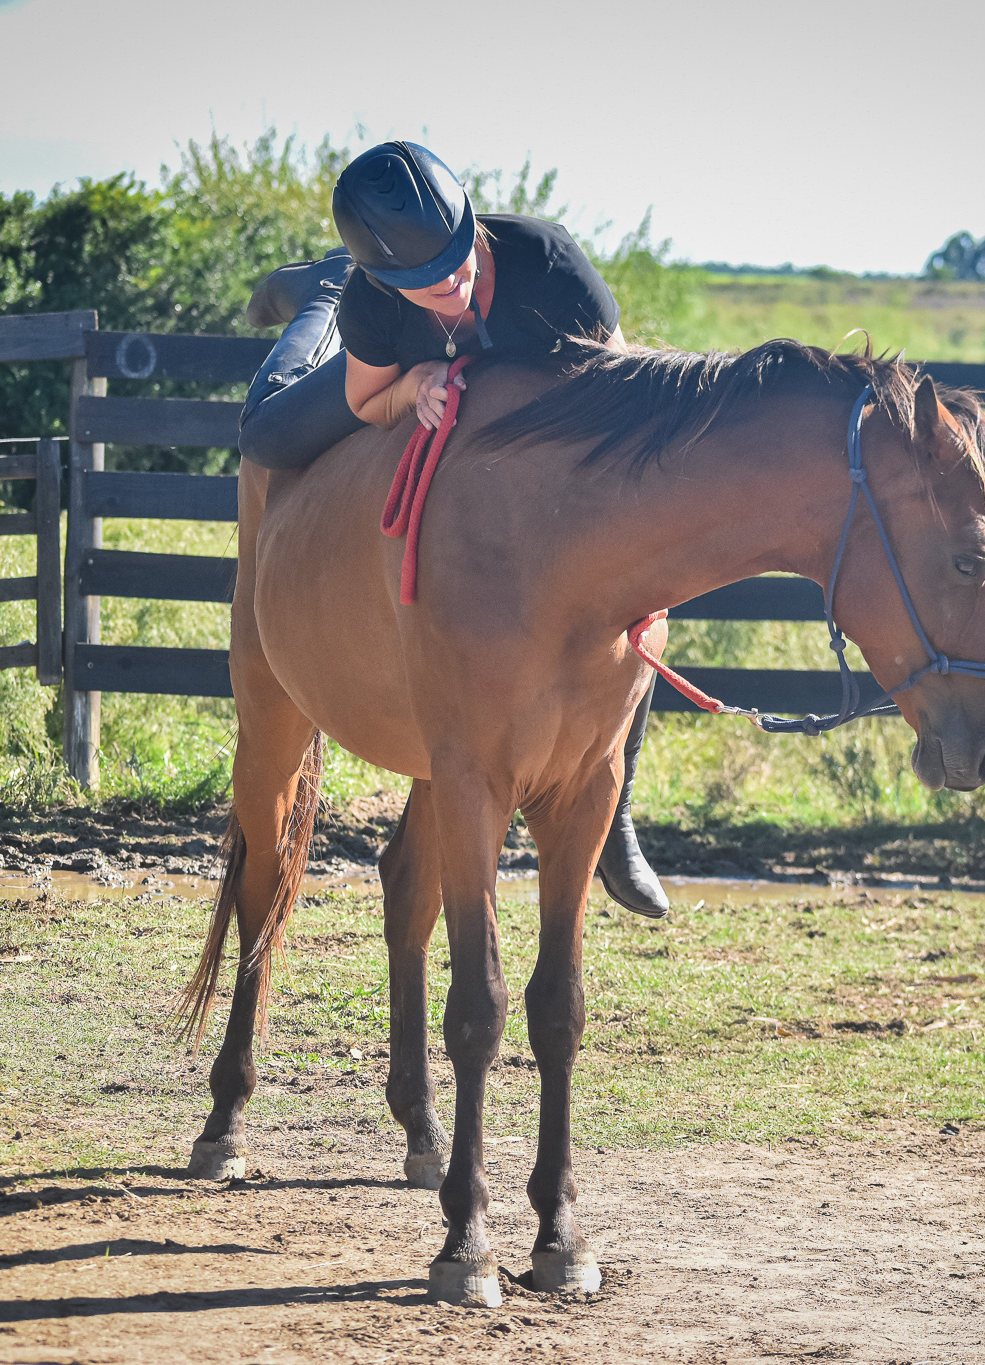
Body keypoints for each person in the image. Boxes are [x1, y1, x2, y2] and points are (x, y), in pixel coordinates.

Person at [236, 140, 669, 919]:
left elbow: (617, 411)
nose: (456, 284)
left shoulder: (552, 267)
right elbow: (368, 405)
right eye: (430, 283)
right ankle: (320, 287)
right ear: (388, 281)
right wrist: (414, 386)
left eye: (461, 260)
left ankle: (621, 806)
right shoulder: (379, 305)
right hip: (388, 366)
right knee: (265, 436)